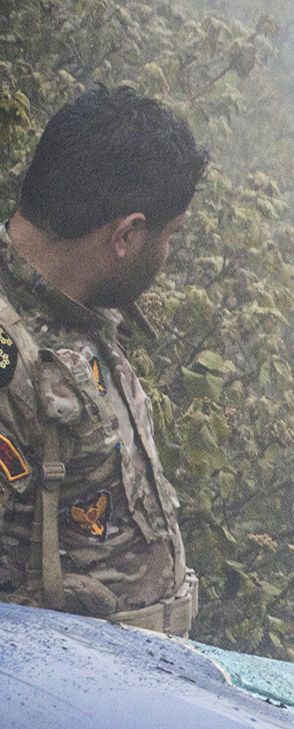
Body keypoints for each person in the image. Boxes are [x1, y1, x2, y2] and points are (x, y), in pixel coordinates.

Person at [0, 88, 205, 634]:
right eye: (170, 235)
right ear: (127, 235)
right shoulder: (9, 358)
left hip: (132, 669)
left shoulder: (82, 308)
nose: (167, 254)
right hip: (56, 677)